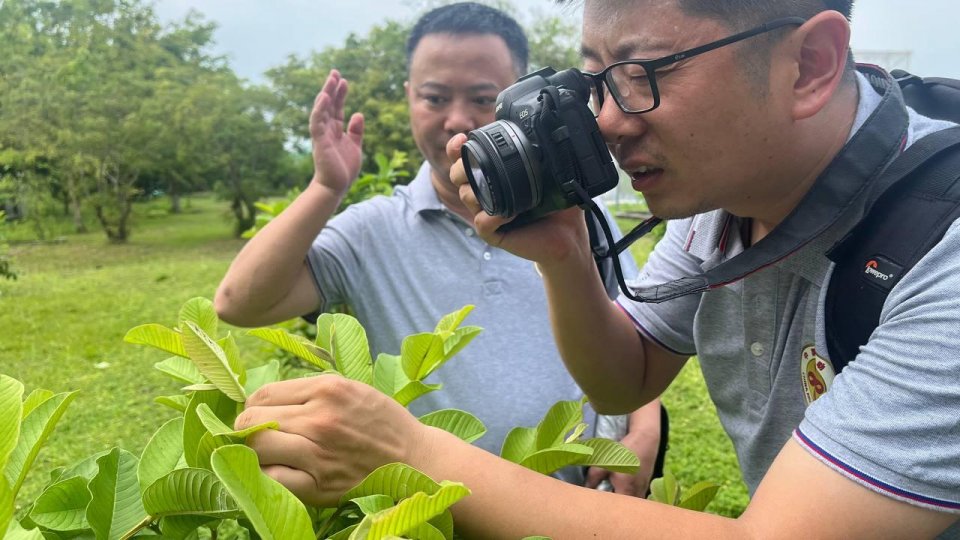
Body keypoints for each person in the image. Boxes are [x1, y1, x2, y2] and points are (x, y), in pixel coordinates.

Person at [236, 0, 960, 537]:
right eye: (594, 81)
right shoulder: (719, 200)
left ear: (809, 64)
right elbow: (627, 373)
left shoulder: (943, 251)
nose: (608, 121)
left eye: (641, 74)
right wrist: (565, 256)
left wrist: (409, 453)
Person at [215, 2, 666, 495]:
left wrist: (644, 424)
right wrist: (327, 187)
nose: (457, 120)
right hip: (432, 511)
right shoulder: (372, 231)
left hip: (574, 502)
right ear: (409, 97)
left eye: (482, 97)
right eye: (433, 98)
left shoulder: (576, 217)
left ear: (519, 97)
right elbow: (240, 303)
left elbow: (632, 327)